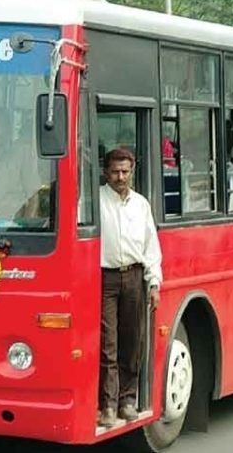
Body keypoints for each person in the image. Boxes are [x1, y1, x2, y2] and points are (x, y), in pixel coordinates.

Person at [98, 148, 162, 428]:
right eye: (115, 171)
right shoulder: (95, 200)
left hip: (135, 277)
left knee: (132, 341)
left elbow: (151, 247)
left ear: (132, 171)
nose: (120, 177)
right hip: (105, 278)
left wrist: (154, 282)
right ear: (105, 171)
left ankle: (128, 400)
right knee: (107, 342)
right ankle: (108, 405)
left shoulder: (141, 204)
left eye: (125, 171)